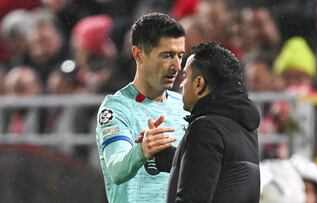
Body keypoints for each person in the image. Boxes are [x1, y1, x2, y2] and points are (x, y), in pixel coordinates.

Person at [95, 13, 188, 203]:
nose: (177, 66)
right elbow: (117, 169)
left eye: (180, 56)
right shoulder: (117, 109)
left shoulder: (185, 107)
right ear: (138, 54)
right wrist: (142, 150)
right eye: (167, 55)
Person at [153, 42, 261, 202]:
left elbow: (193, 197)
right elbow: (215, 171)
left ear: (199, 84)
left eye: (185, 77)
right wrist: (162, 155)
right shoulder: (244, 128)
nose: (181, 85)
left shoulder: (205, 128)